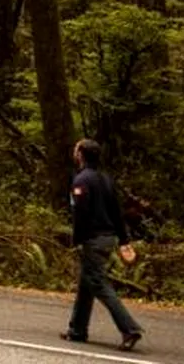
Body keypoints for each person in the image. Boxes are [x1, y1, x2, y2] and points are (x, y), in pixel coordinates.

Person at [61, 138, 144, 351]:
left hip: (93, 238)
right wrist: (123, 240)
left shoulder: (81, 180)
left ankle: (129, 329)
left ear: (80, 155)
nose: (74, 152)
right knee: (86, 282)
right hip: (108, 238)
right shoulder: (106, 179)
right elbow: (117, 212)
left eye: (76, 149)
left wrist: (77, 240)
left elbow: (81, 213)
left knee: (98, 283)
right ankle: (77, 330)